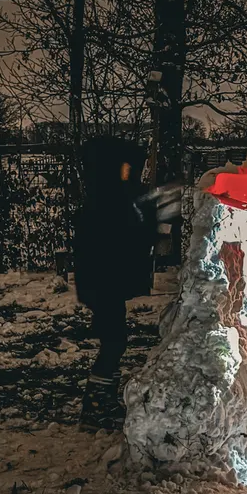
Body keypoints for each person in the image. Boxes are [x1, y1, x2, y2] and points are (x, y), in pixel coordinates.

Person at [73, 135, 158, 430]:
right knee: (114, 342)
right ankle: (95, 406)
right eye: (130, 167)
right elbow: (128, 236)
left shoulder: (109, 196)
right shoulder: (109, 200)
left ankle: (101, 399)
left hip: (102, 282)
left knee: (114, 340)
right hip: (102, 282)